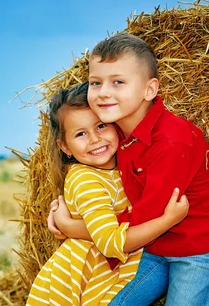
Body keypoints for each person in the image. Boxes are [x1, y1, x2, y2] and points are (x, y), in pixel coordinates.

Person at [48, 33, 209, 306]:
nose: (103, 92)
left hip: (200, 250)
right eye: (95, 83)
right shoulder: (114, 135)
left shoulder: (172, 142)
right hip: (156, 247)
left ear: (149, 90)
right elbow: (101, 187)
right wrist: (62, 205)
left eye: (118, 82)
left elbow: (147, 217)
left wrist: (71, 226)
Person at [27, 82, 189, 306]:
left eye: (101, 126)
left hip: (106, 274)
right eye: (81, 133)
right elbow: (110, 241)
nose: (95, 139)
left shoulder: (126, 161)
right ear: (65, 147)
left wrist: (68, 224)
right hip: (78, 284)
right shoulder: (85, 179)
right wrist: (167, 221)